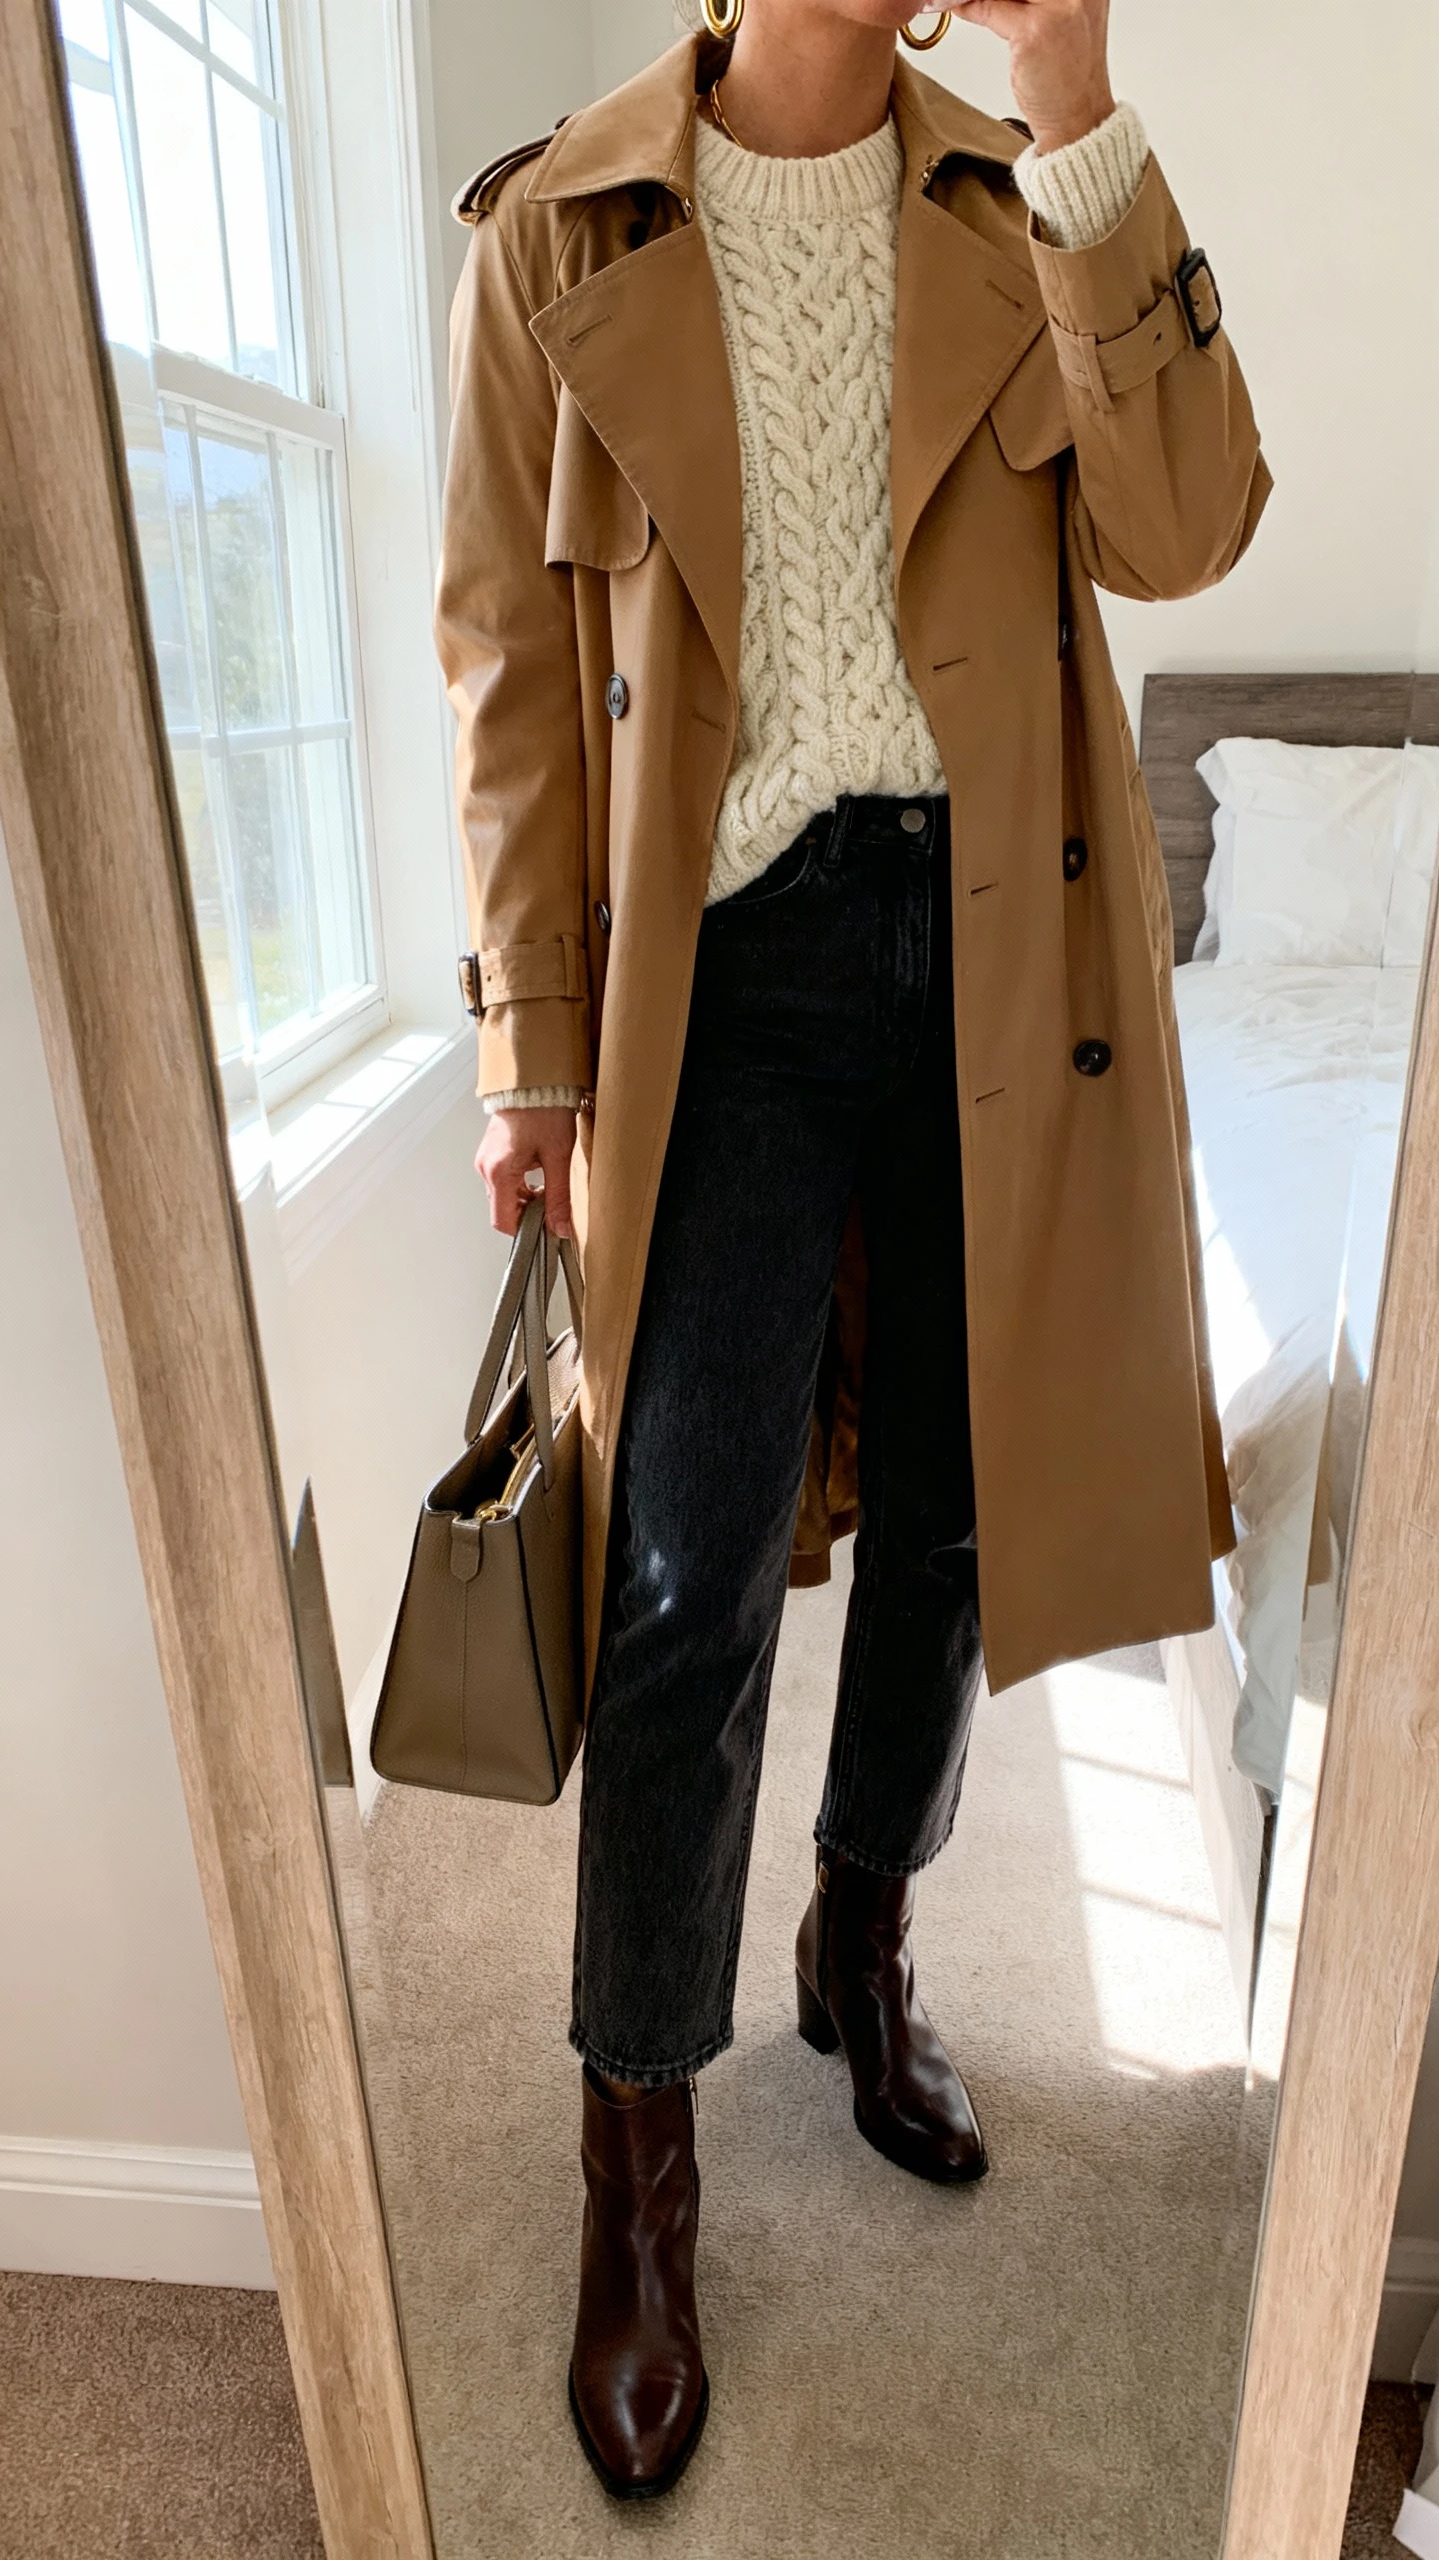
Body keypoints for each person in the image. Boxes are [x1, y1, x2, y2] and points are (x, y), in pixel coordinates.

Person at [436, 0, 1267, 2502]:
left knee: (961, 1518)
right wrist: (535, 1053)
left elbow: (1194, 523)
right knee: (683, 1567)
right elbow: (503, 669)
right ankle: (638, 2156)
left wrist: (1087, 92)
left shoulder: (1025, 198)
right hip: (729, 974)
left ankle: (860, 1937)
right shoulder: (545, 227)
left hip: (997, 946)